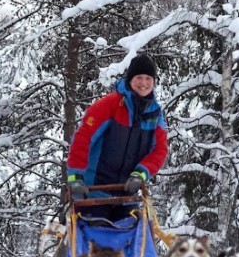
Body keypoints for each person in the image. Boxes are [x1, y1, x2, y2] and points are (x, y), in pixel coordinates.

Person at [66, 53, 168, 221]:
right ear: (130, 80)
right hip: (93, 192)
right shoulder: (110, 104)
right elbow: (83, 138)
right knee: (94, 234)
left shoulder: (155, 115)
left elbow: (160, 149)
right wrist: (75, 176)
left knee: (136, 233)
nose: (144, 83)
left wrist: (140, 174)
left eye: (148, 78)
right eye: (139, 77)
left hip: (127, 195)